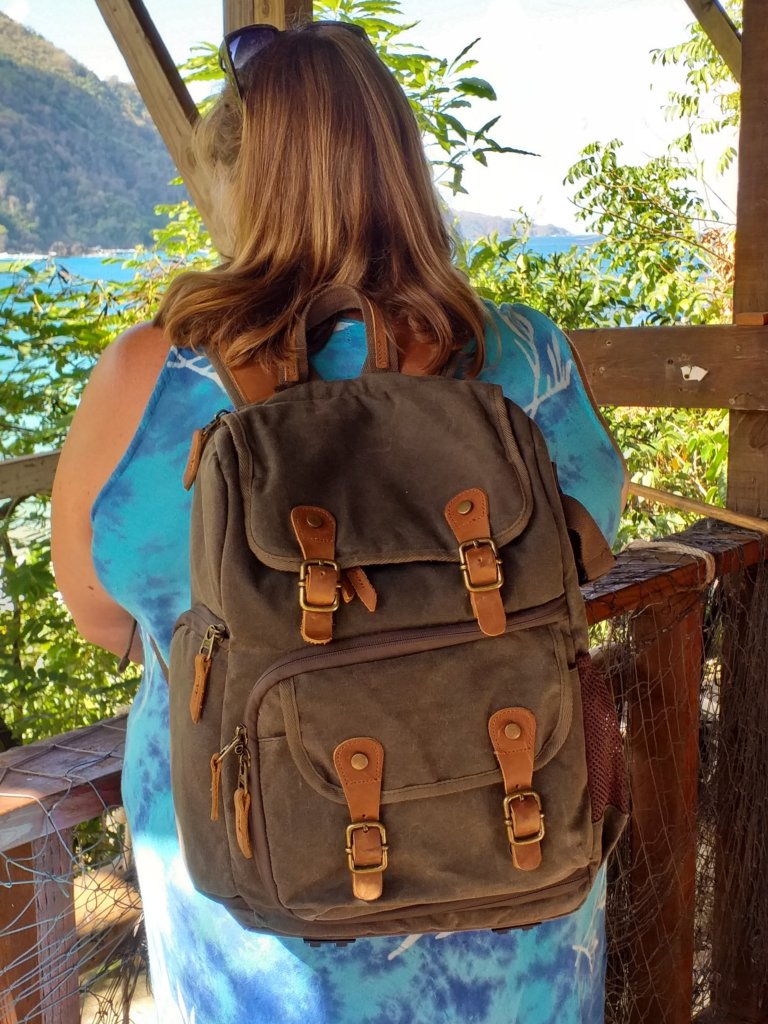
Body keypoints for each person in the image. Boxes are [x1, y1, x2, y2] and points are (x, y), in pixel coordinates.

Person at [52, 21, 627, 1024]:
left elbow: (103, 613)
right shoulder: (526, 357)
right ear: (402, 163)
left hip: (265, 906)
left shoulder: (149, 377)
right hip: (510, 859)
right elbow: (586, 551)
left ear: (241, 179)